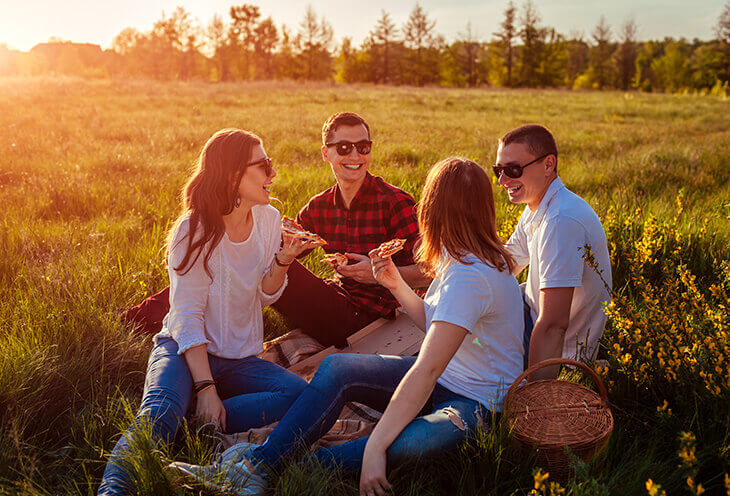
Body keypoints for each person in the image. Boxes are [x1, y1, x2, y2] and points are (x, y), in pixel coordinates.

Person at [166, 157, 525, 496]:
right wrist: (395, 284)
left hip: (478, 405)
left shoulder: (471, 275)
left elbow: (427, 369)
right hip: (447, 379)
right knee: (337, 367)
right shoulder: (460, 257)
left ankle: (273, 469)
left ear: (433, 211)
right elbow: (439, 325)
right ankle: (261, 466)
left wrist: (377, 445)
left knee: (411, 443)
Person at [98, 129, 311, 495]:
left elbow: (265, 295)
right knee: (159, 414)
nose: (272, 174)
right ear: (232, 176)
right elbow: (186, 316)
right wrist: (206, 387)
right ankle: (114, 489)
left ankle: (196, 420)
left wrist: (283, 261)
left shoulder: (268, 218)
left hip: (239, 356)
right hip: (183, 349)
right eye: (264, 166)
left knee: (296, 394)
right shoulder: (192, 230)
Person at [122, 112, 429, 348]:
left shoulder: (394, 201)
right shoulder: (318, 207)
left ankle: (147, 318)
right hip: (333, 304)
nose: (355, 156)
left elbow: (431, 270)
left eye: (363, 147)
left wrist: (377, 274)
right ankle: (158, 314)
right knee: (255, 256)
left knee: (266, 261)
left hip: (374, 321)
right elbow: (282, 246)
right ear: (326, 153)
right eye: (345, 148)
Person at [494, 124, 612, 380]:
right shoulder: (539, 205)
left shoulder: (561, 221)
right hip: (531, 314)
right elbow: (504, 265)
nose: (503, 180)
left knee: (459, 346)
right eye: (499, 170)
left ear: (548, 165)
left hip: (560, 351)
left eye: (513, 169)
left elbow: (553, 325)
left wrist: (539, 399)